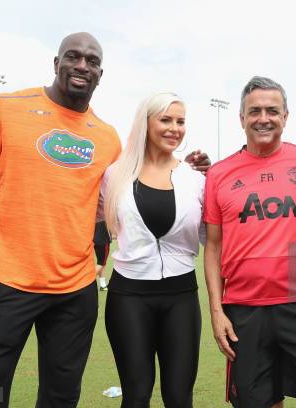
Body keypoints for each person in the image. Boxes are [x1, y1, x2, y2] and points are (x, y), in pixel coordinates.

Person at [0, 33, 210, 408]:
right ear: (56, 63)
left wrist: (183, 169)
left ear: (100, 73)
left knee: (61, 398)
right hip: (7, 280)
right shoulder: (5, 108)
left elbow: (138, 183)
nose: (82, 65)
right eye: (73, 57)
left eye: (92, 61)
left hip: (74, 292)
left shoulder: (108, 139)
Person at [203, 76, 296, 408]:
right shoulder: (219, 173)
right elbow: (212, 246)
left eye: (272, 110)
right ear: (241, 118)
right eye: (254, 111)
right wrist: (216, 311)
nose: (263, 118)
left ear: (286, 116)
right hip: (244, 310)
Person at [100, 92, 204, 408]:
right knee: (136, 396)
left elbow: (211, 240)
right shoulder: (113, 175)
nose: (174, 128)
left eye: (180, 121)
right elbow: (92, 224)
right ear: (146, 123)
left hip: (181, 298)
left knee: (178, 397)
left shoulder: (196, 180)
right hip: (128, 298)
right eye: (165, 120)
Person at [94, 220, 111, 290]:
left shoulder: (93, 213)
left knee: (101, 263)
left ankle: (103, 284)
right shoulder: (104, 213)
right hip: (103, 241)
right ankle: (83, 282)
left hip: (94, 240)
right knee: (101, 263)